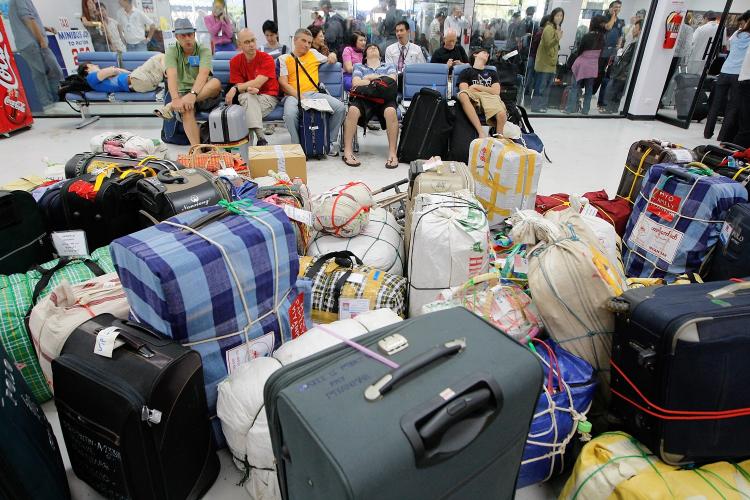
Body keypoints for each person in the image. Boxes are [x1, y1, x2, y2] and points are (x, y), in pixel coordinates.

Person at [279, 28, 345, 154]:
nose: (307, 45)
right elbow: (283, 83)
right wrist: (300, 97)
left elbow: (331, 58)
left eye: (309, 42)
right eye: (303, 41)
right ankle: (298, 146)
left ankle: (328, 142)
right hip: (293, 96)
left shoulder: (313, 53)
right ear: (295, 40)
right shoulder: (284, 59)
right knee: (290, 114)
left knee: (340, 108)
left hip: (314, 94)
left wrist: (332, 55)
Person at [158, 19, 221, 146]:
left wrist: (192, 95)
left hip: (205, 93)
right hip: (184, 95)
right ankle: (196, 149)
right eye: (183, 35)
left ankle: (174, 104)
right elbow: (171, 75)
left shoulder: (203, 49)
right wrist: (175, 98)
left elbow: (203, 75)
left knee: (215, 83)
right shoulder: (172, 51)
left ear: (194, 34)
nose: (188, 38)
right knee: (187, 109)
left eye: (190, 34)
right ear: (177, 37)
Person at [342, 44, 399, 168]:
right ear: (365, 55)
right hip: (364, 99)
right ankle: (347, 151)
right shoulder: (359, 66)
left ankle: (393, 153)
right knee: (352, 110)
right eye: (369, 48)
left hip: (385, 99)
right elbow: (356, 83)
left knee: (391, 112)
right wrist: (380, 80)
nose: (373, 48)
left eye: (376, 48)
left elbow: (392, 81)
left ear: (380, 54)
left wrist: (369, 78)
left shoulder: (389, 66)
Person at [225, 29, 278, 146]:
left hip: (268, 96)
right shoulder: (235, 62)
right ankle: (261, 139)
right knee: (248, 97)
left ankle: (246, 151)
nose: (252, 44)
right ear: (240, 45)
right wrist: (247, 88)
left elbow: (257, 83)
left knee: (245, 110)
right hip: (248, 97)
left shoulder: (267, 58)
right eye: (247, 42)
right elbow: (242, 86)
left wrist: (235, 88)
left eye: (253, 40)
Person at [8, 0, 62, 108]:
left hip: (29, 43)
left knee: (42, 75)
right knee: (49, 74)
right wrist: (41, 40)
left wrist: (43, 28)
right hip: (33, 43)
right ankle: (52, 105)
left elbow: (28, 19)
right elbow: (27, 18)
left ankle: (52, 104)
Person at [708, 11, 750, 140]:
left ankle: (707, 132)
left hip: (725, 70)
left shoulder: (736, 34)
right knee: (732, 106)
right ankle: (722, 136)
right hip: (738, 74)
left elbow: (728, 47)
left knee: (716, 103)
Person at [457, 47, 507, 138]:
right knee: (463, 95)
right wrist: (487, 89)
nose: (487, 54)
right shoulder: (466, 72)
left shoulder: (492, 72)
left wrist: (477, 86)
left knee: (502, 113)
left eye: (488, 54)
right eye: (484, 52)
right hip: (474, 97)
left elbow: (496, 91)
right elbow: (464, 89)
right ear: (475, 54)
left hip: (490, 98)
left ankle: (500, 139)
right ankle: (480, 132)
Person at [566, 16, 606, 115]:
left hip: (582, 63)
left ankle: (570, 109)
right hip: (593, 65)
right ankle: (586, 110)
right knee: (589, 88)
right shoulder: (602, 38)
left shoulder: (587, 36)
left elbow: (580, 51)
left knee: (575, 86)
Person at [603, 18, 641, 113]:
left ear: (641, 30)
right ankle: (612, 108)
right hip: (622, 70)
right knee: (615, 90)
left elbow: (627, 57)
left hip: (623, 71)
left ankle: (609, 108)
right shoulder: (633, 41)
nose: (633, 29)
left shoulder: (636, 44)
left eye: (636, 28)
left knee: (613, 89)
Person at [78, 53, 165, 93]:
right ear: (87, 68)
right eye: (93, 65)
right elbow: (112, 71)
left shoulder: (96, 83)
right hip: (137, 80)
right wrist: (114, 69)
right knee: (160, 56)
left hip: (143, 84)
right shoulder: (91, 77)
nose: (96, 65)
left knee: (163, 65)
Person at [531, 8, 563, 112]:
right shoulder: (548, 28)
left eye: (561, 16)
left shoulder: (556, 28)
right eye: (557, 15)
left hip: (551, 63)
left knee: (547, 87)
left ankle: (543, 106)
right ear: (553, 16)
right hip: (544, 63)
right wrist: (557, 38)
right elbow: (548, 44)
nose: (559, 18)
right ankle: (536, 106)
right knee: (541, 86)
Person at [595, 0, 624, 112]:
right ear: (610, 8)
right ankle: (590, 94)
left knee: (607, 79)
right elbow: (608, 27)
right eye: (615, 7)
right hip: (601, 52)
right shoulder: (604, 18)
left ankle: (602, 102)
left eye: (619, 7)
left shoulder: (621, 22)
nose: (617, 9)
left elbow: (620, 35)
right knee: (597, 76)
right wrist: (613, 16)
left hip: (612, 54)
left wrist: (619, 45)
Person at [385, 20, 426, 87]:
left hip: (412, 81)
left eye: (401, 30)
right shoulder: (390, 49)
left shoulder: (417, 49)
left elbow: (422, 68)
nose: (398, 33)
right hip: (395, 82)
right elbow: (389, 69)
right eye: (397, 31)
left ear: (408, 31)